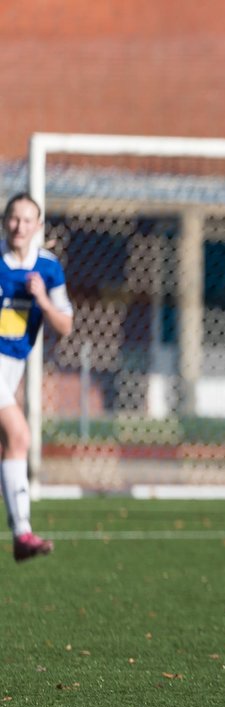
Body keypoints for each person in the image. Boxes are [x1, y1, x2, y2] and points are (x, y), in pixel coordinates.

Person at [0, 193, 73, 562]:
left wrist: (42, 300)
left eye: (27, 220)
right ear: (4, 221)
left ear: (38, 226)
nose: (19, 226)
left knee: (10, 444)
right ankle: (24, 533)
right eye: (14, 218)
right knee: (19, 435)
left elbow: (65, 325)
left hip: (12, 368)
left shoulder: (48, 269)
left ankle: (19, 535)